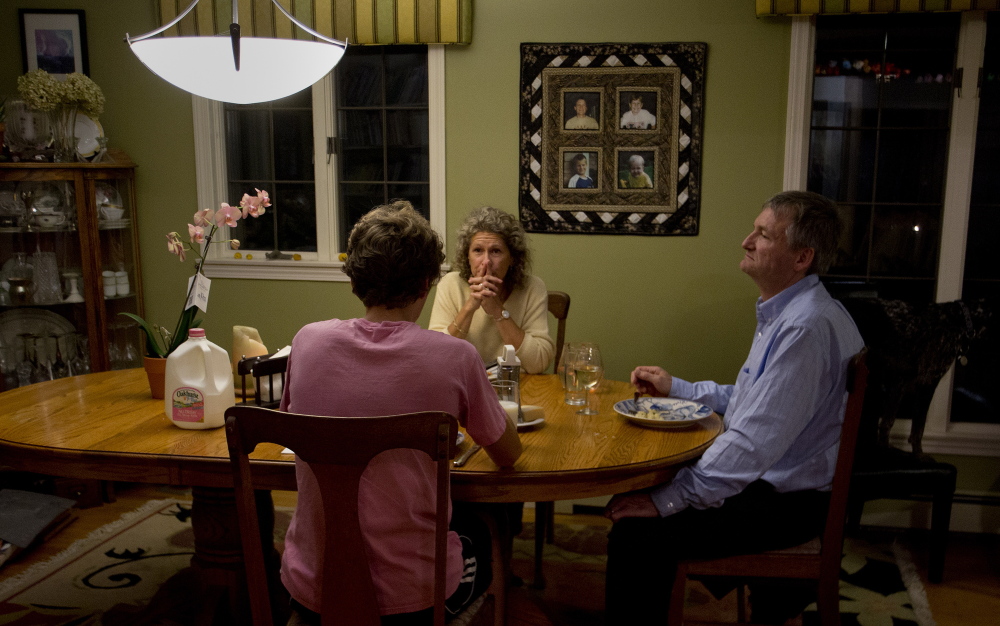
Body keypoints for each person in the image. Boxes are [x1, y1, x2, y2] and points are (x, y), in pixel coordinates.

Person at [604, 191, 864, 625]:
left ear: (801, 257)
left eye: (762, 234)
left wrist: (671, 498)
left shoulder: (803, 328)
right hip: (779, 487)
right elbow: (752, 402)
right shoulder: (793, 312)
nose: (746, 240)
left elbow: (752, 440)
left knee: (637, 532)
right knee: (646, 498)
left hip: (788, 504)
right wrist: (677, 388)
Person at [279, 201, 522, 624]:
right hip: (413, 602)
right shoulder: (456, 358)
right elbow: (507, 454)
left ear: (354, 281)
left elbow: (291, 429)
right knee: (486, 529)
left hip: (312, 588)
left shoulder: (307, 342)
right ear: (427, 283)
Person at [429, 206, 555, 374]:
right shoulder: (450, 284)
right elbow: (435, 357)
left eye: (496, 251)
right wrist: (469, 307)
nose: (486, 261)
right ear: (467, 256)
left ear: (512, 258)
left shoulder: (532, 287)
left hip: (514, 388)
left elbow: (538, 363)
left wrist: (497, 311)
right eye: (478, 251)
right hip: (464, 385)